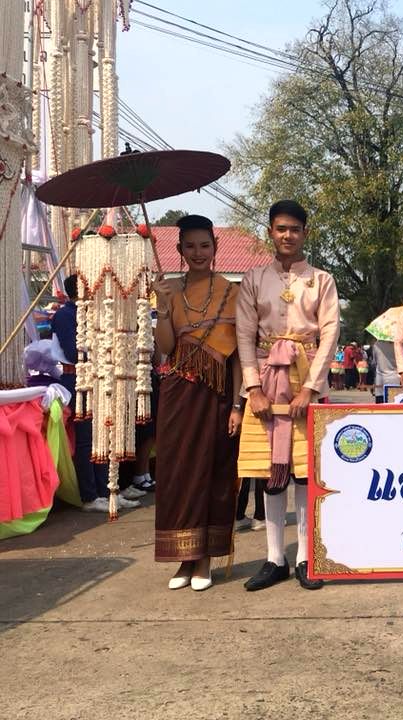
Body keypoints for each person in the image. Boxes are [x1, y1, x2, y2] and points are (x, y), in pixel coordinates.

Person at [237, 200, 339, 591]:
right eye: (281, 228)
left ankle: (305, 558)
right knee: (270, 471)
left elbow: (329, 333)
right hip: (265, 381)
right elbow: (244, 335)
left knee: (305, 470)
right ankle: (274, 558)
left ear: (305, 233)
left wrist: (310, 388)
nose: (288, 235)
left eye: (295, 229)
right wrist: (253, 389)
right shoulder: (253, 278)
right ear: (270, 232)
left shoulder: (322, 280)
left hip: (306, 377)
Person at [152, 215, 241, 591]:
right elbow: (166, 347)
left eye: (205, 245)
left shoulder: (232, 292)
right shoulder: (170, 289)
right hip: (177, 394)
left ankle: (204, 558)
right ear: (179, 250)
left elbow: (238, 357)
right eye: (190, 246)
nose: (198, 252)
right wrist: (162, 307)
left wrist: (237, 406)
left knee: (212, 471)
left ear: (215, 247)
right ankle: (183, 558)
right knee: (176, 474)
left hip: (217, 395)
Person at [51, 275, 140, 513]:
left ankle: (108, 491)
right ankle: (90, 496)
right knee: (87, 441)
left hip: (101, 379)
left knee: (106, 437)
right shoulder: (65, 315)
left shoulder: (95, 314)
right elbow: (74, 352)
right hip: (79, 381)